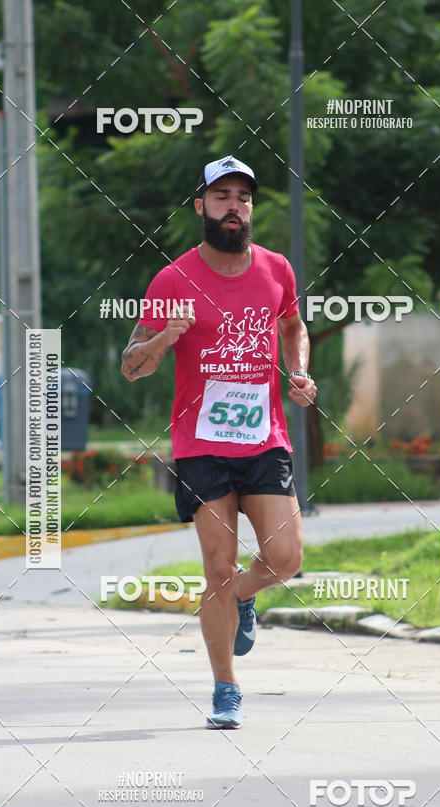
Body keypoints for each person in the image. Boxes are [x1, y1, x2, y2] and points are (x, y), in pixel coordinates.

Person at [121, 155, 317, 729]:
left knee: (286, 558)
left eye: (244, 197)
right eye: (222, 195)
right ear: (200, 206)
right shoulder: (172, 279)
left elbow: (292, 326)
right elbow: (132, 368)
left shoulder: (277, 269)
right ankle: (225, 688)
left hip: (264, 437)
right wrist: (163, 337)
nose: (234, 206)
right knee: (219, 568)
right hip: (201, 444)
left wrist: (298, 372)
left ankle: (240, 599)